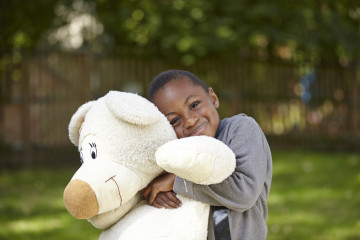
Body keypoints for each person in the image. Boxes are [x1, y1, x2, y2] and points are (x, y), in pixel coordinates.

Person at [141, 70, 272, 240]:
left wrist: (178, 182)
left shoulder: (240, 129)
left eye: (194, 105)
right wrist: (158, 194)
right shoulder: (175, 156)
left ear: (213, 98)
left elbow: (243, 193)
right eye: (174, 120)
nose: (189, 120)